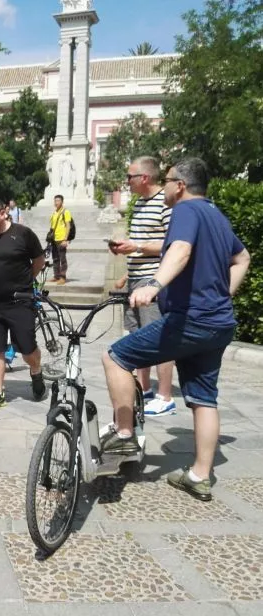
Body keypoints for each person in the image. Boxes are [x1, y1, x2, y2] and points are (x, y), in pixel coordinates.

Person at [102, 158, 250, 502]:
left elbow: (180, 250)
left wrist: (153, 284)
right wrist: (223, 294)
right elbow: (242, 259)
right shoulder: (217, 215)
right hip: (218, 322)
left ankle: (124, 433)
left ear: (180, 185)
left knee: (115, 356)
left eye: (167, 180)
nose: (165, 186)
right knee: (203, 398)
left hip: (190, 319)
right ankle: (199, 475)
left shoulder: (186, 211)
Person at [110, 156, 175, 416]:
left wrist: (136, 247)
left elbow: (173, 245)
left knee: (158, 337)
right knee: (137, 336)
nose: (127, 181)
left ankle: (165, 396)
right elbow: (141, 241)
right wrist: (127, 261)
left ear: (144, 178)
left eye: (130, 177)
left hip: (153, 281)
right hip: (136, 278)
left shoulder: (165, 203)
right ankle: (145, 388)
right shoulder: (138, 205)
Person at [0, 196, 47, 412]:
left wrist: (26, 283)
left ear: (3, 212)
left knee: (27, 349)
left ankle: (36, 370)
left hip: (20, 302)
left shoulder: (23, 234)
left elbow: (39, 261)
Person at [48, 194, 71, 284]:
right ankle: (56, 276)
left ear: (62, 201)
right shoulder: (54, 212)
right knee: (55, 258)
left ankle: (63, 277)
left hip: (62, 239)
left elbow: (68, 226)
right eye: (55, 201)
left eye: (58, 200)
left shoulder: (65, 212)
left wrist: (66, 239)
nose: (56, 202)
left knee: (62, 258)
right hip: (54, 239)